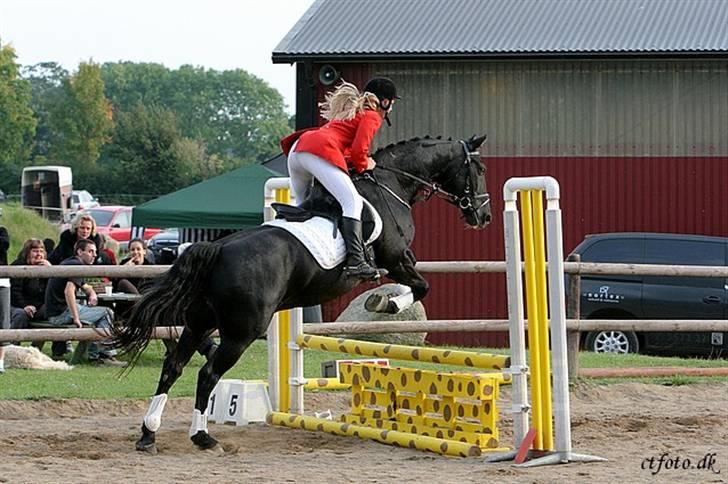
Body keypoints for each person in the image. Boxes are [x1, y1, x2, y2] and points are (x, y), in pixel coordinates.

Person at [280, 77, 399, 280]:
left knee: (303, 205)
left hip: (298, 150)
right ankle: (356, 261)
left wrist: (354, 162)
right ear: (385, 102)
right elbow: (358, 151)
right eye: (392, 104)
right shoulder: (372, 116)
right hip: (317, 151)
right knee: (352, 202)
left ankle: (290, 241)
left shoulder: (351, 112)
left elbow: (343, 150)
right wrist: (365, 165)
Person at [44, 239, 124, 366]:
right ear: (80, 252)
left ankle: (96, 355)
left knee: (100, 314)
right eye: (90, 251)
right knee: (107, 313)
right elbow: (68, 291)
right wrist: (76, 318)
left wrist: (91, 293)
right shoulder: (76, 266)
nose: (95, 255)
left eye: (95, 252)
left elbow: (84, 286)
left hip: (54, 312)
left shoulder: (69, 262)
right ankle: (103, 355)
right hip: (61, 314)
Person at [0, 224, 9, 373]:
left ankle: (0, 362)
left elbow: (3, 245)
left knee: (3, 321)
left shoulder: (2, 232)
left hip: (1, 283)